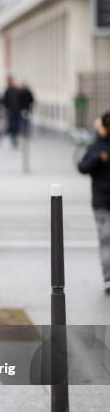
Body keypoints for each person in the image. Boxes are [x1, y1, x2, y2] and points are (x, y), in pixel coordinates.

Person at [78, 112, 110, 294]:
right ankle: (108, 278)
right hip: (102, 203)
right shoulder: (97, 147)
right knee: (106, 240)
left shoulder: (96, 145)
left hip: (101, 202)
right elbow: (82, 167)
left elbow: (82, 166)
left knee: (106, 241)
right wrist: (99, 159)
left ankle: (108, 277)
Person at [3, 76, 22, 148]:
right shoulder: (8, 90)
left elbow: (20, 99)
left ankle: (14, 137)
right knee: (12, 124)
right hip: (11, 111)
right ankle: (13, 137)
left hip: (16, 110)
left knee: (15, 124)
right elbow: (5, 101)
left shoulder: (16, 90)